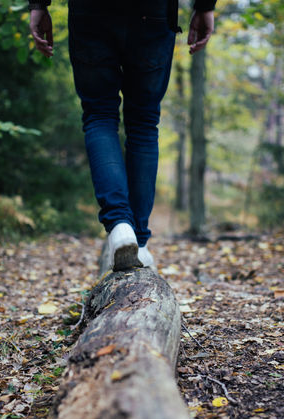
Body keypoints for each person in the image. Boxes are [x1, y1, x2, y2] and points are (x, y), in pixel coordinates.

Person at [28, 0, 216, 271]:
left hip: (90, 11)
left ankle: (120, 227)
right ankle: (138, 241)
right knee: (143, 123)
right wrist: (205, 6)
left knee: (100, 115)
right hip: (152, 12)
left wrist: (38, 5)